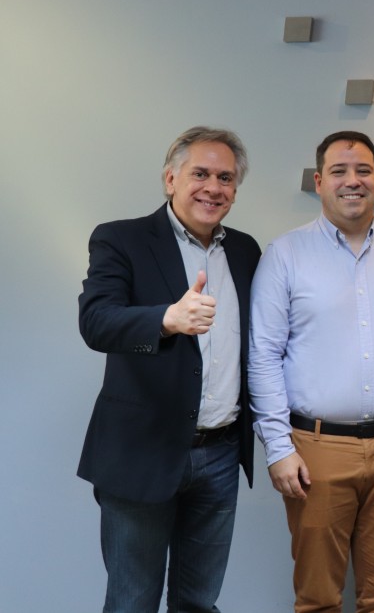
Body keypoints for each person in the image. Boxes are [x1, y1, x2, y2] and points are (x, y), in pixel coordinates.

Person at [248, 130, 374, 613]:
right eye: (339, 171)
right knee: (318, 598)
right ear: (318, 181)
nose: (353, 181)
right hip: (315, 450)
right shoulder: (285, 254)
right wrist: (278, 449)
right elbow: (264, 356)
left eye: (363, 170)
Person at [78, 126, 261, 612]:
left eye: (225, 178)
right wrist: (165, 318)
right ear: (170, 179)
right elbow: (96, 322)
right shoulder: (121, 239)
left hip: (219, 454)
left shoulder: (245, 251)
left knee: (199, 602)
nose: (213, 187)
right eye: (200, 173)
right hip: (143, 449)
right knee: (132, 601)